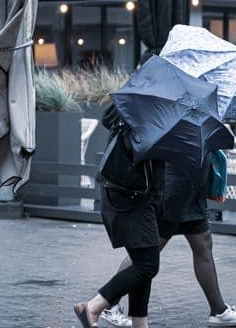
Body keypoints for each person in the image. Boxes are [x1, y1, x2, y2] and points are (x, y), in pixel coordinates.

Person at [101, 160, 236, 327]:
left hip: (193, 187)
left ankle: (219, 310)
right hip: (176, 187)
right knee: (147, 253)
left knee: (203, 242)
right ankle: (107, 304)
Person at [75, 107, 165, 328]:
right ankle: (94, 306)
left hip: (125, 195)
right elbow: (141, 150)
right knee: (148, 265)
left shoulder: (130, 107)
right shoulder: (144, 115)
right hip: (131, 198)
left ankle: (139, 324)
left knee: (142, 261)